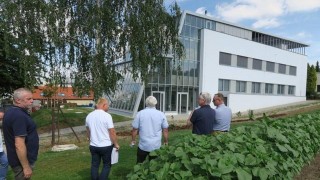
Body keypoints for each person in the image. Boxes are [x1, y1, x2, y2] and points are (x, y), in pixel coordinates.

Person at [3, 88, 39, 180]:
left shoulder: (12, 112)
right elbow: (19, 144)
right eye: (28, 99)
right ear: (18, 100)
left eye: (32, 98)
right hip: (21, 162)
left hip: (19, 160)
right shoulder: (18, 116)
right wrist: (26, 167)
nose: (32, 101)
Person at [85, 98, 120, 180]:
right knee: (106, 165)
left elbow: (88, 131)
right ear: (104, 105)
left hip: (93, 145)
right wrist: (116, 144)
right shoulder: (107, 116)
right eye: (108, 105)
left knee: (94, 165)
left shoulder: (89, 116)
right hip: (106, 146)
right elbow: (112, 131)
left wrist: (90, 139)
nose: (108, 107)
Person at [131, 96, 169, 163]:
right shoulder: (161, 114)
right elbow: (165, 129)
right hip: (156, 146)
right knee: (154, 167)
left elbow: (135, 129)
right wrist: (166, 141)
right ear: (155, 103)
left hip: (143, 145)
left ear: (146, 103)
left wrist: (133, 140)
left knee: (139, 166)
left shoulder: (140, 114)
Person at [0, 108, 8, 180]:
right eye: (0, 119)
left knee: (5, 162)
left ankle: (2, 178)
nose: (1, 120)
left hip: (1, 151)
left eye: (2, 118)